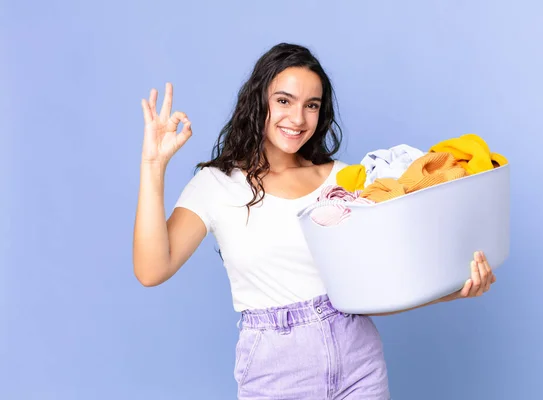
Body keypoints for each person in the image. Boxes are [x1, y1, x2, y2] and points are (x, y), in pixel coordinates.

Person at [133, 43, 496, 399]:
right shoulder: (216, 185)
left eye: (312, 105)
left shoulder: (346, 180)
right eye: (284, 101)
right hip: (275, 371)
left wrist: (453, 290)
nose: (298, 118)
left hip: (358, 363)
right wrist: (153, 165)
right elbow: (152, 270)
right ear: (259, 101)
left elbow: (374, 288)